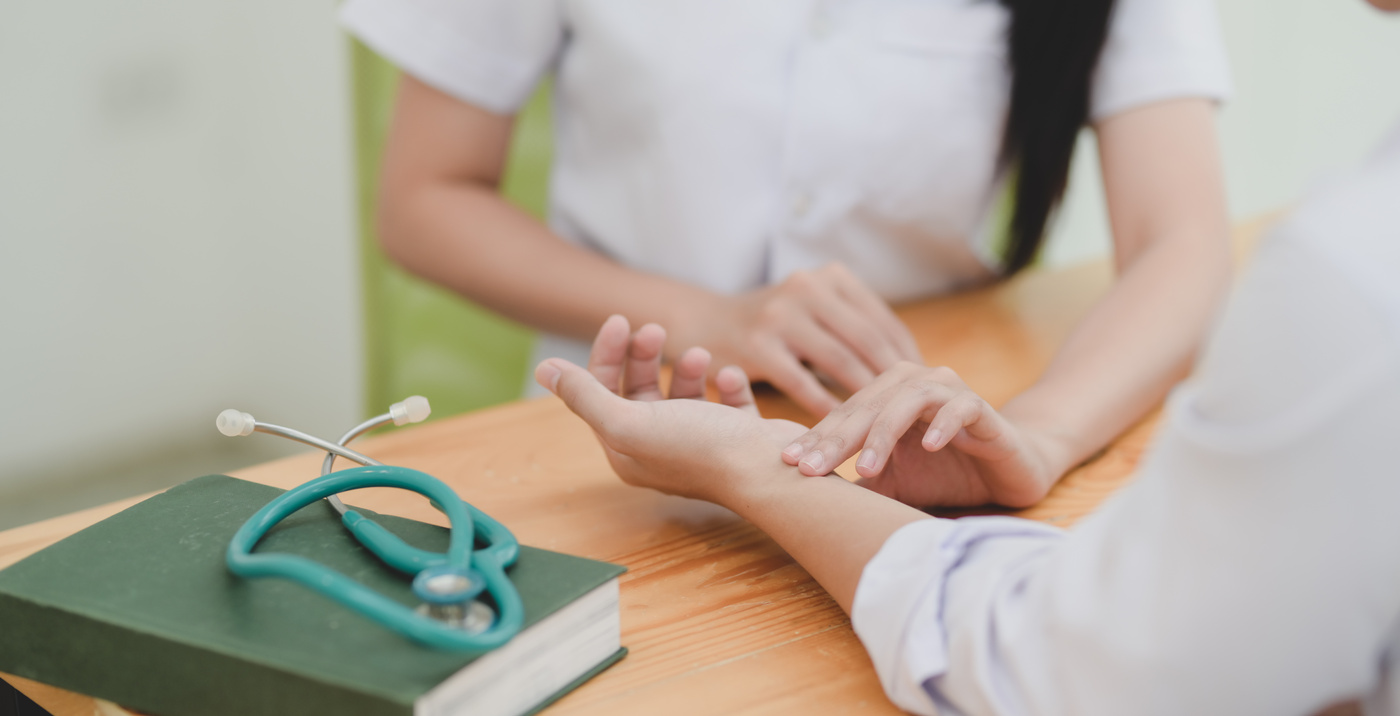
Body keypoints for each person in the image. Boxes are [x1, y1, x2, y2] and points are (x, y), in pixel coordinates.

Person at [529, 16, 1400, 708]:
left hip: (904, 428)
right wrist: (701, 318)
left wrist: (764, 468)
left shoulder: (1352, 278)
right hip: (592, 465)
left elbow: (1066, 670)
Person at [339, 0, 1233, 508]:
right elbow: (425, 201)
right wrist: (703, 318)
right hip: (622, 442)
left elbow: (1182, 244)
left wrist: (1039, 436)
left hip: (916, 452)